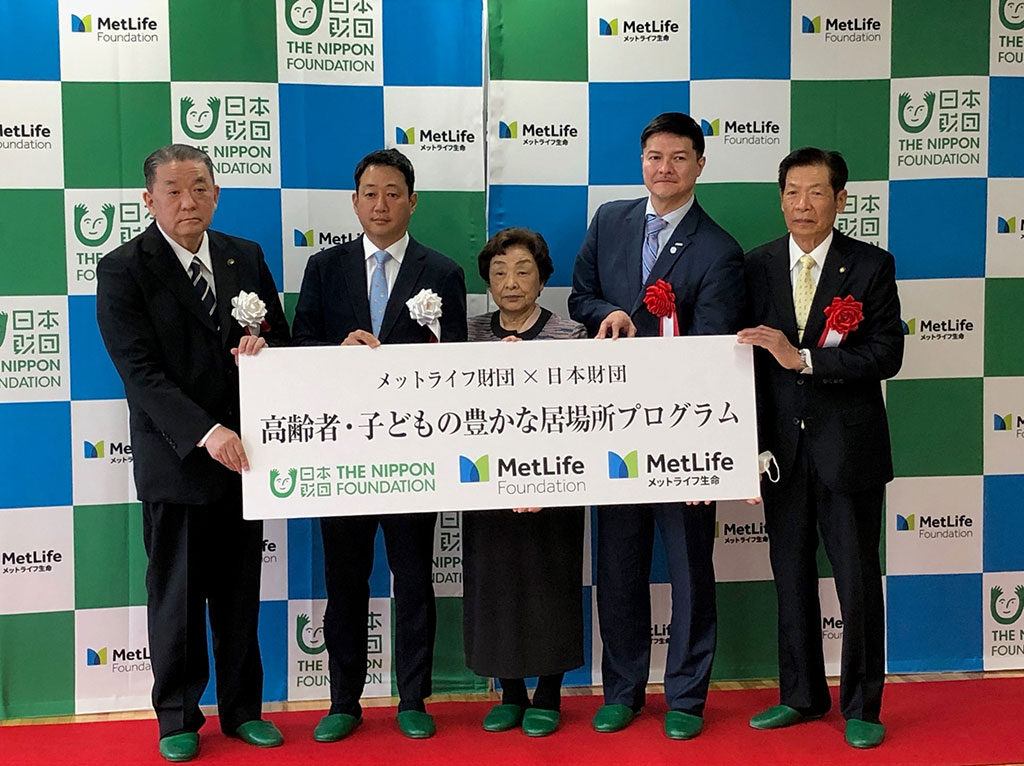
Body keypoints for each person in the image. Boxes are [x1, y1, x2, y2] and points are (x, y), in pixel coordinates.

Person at [96, 144, 289, 762]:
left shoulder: (246, 255)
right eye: (174, 190)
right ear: (148, 199)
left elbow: (278, 340)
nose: (189, 201)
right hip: (178, 461)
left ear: (216, 192)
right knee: (176, 598)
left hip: (246, 462)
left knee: (240, 595)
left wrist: (264, 349)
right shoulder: (124, 267)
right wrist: (208, 432)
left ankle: (243, 712)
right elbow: (140, 372)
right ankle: (178, 716)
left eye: (200, 187)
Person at [568, 112, 744, 740]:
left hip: (684, 435)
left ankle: (688, 696)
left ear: (700, 164)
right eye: (652, 156)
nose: (662, 168)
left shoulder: (719, 249)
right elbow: (578, 298)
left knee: (691, 567)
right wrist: (612, 313)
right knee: (618, 563)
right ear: (640, 161)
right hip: (613, 428)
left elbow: (715, 347)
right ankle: (621, 688)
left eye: (676, 157)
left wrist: (704, 450)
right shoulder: (610, 220)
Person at [292, 148, 468, 741]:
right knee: (345, 582)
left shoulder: (441, 272)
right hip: (341, 457)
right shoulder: (324, 267)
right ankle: (345, 700)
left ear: (412, 202)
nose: (380, 204)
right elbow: (299, 350)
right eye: (369, 192)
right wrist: (336, 357)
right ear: (354, 201)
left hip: (414, 456)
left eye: (393, 193)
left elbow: (456, 364)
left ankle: (414, 698)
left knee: (415, 578)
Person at [738, 147, 903, 749]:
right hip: (778, 453)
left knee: (857, 579)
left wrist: (804, 358)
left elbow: (886, 355)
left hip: (848, 452)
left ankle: (863, 705)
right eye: (791, 192)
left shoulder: (871, 266)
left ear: (839, 199)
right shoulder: (753, 266)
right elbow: (739, 368)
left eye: (815, 193)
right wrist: (745, 448)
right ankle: (801, 695)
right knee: (791, 576)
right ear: (779, 197)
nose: (802, 205)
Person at [462, 227, 587, 738]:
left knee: (548, 582)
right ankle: (510, 692)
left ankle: (550, 692)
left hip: (552, 490)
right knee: (494, 586)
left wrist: (543, 480)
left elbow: (581, 415)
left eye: (523, 270)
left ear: (542, 278)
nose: (511, 282)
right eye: (499, 272)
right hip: (484, 488)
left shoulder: (571, 334)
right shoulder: (464, 334)